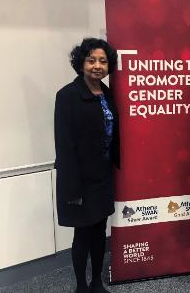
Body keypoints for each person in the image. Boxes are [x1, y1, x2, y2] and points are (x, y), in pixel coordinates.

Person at [54, 38, 120, 293]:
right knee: (82, 235)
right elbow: (64, 146)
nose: (97, 66)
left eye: (103, 61)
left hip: (103, 177)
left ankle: (96, 282)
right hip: (79, 181)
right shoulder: (67, 96)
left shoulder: (108, 94)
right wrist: (72, 191)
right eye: (91, 60)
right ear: (81, 63)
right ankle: (81, 285)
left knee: (99, 233)